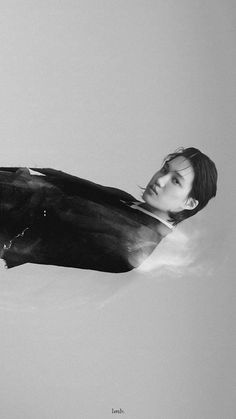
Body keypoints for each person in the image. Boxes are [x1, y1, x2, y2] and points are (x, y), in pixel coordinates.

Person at [0, 147, 217, 273]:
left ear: (189, 203)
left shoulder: (136, 242)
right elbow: (65, 182)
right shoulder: (127, 201)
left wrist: (19, 184)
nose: (160, 180)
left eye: (176, 181)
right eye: (165, 170)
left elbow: (55, 207)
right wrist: (23, 173)